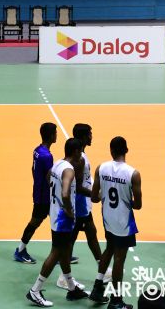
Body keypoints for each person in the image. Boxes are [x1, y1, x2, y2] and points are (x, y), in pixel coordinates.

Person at [25, 138, 88, 307]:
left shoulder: (57, 164)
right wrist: (68, 211)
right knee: (56, 253)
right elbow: (66, 194)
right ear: (76, 151)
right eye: (80, 151)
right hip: (63, 219)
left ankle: (72, 288)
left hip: (55, 214)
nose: (81, 154)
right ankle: (35, 290)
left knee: (64, 251)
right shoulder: (69, 170)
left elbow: (48, 178)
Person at [88, 137, 142, 309]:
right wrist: (126, 200)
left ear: (111, 151)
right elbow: (138, 205)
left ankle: (97, 288)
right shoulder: (133, 173)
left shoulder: (101, 168)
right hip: (123, 221)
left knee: (109, 248)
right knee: (119, 258)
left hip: (107, 218)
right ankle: (116, 300)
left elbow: (94, 198)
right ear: (126, 150)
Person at [56, 123, 104, 289]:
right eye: (89, 134)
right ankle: (64, 277)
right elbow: (76, 187)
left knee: (91, 233)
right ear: (83, 137)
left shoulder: (82, 156)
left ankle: (102, 268)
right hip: (79, 204)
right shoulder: (79, 160)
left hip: (82, 203)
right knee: (71, 240)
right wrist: (95, 195)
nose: (92, 137)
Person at [14, 122, 57, 264]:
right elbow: (49, 178)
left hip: (39, 192)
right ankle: (20, 250)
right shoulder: (47, 156)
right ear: (51, 136)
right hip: (44, 196)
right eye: (55, 133)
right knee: (35, 222)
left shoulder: (37, 150)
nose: (56, 135)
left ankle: (59, 253)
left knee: (56, 221)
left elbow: (33, 170)